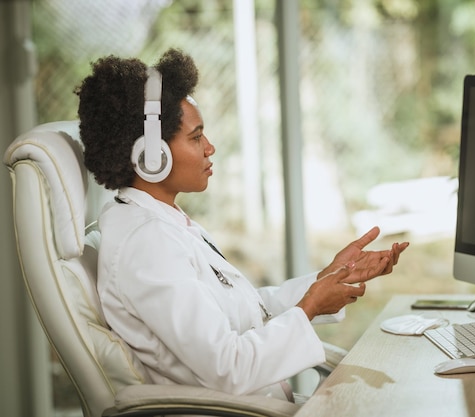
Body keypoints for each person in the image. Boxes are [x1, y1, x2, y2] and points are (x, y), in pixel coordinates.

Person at [75, 48, 409, 402]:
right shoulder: (146, 245)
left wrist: (328, 277)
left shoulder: (161, 223)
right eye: (196, 137)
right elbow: (228, 367)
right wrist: (310, 306)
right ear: (151, 155)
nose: (210, 148)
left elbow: (247, 312)